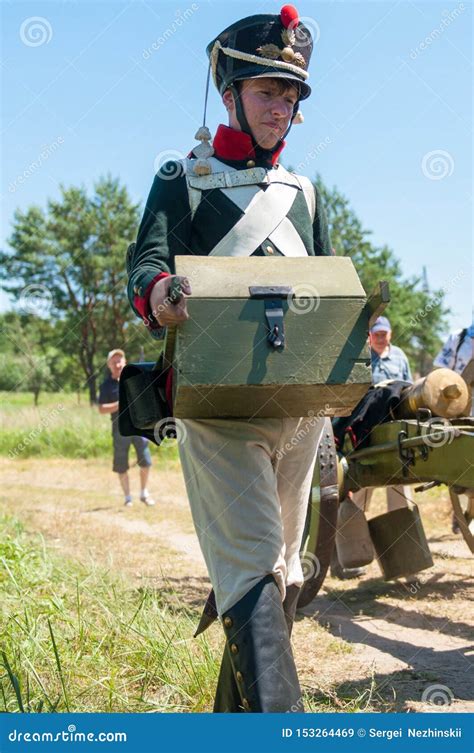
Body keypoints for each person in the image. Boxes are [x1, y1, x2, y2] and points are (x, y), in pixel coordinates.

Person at [127, 6, 332, 712]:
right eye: (268, 92)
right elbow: (147, 264)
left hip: (300, 409)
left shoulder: (303, 192)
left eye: (291, 96)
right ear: (230, 91)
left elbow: (325, 282)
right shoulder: (182, 176)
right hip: (216, 401)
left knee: (276, 572)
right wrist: (161, 294)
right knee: (250, 566)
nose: (281, 108)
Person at [332, 316, 414, 579]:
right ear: (370, 336)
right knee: (360, 496)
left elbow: (410, 387)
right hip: (369, 434)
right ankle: (351, 557)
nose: (380, 337)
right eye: (376, 333)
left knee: (401, 497)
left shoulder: (400, 356)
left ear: (389, 334)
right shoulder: (362, 358)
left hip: (398, 433)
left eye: (384, 333)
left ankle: (406, 563)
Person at [98, 349, 155, 507]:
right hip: (119, 430)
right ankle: (128, 498)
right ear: (109, 365)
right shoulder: (105, 386)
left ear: (125, 362)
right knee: (121, 463)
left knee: (146, 461)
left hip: (139, 427)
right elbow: (101, 408)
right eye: (114, 362)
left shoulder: (134, 379)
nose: (117, 364)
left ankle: (144, 493)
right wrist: (119, 404)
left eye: (120, 361)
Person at [433, 321, 474, 532]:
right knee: (461, 465)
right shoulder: (458, 338)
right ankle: (461, 516)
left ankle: (468, 515)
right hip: (458, 411)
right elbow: (440, 371)